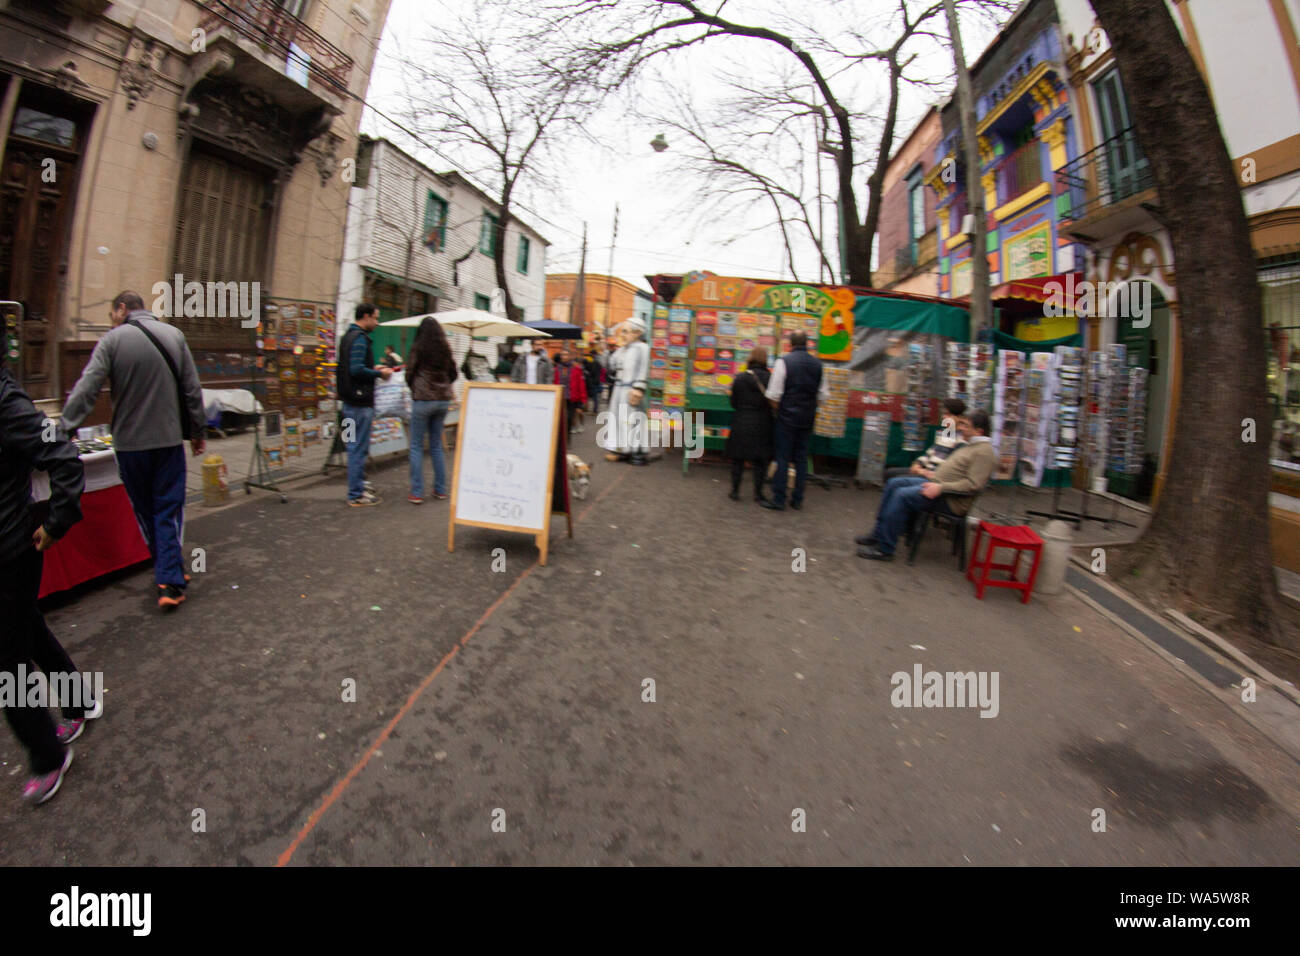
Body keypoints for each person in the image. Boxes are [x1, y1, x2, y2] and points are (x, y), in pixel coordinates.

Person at [61, 290, 206, 609]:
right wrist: (196, 431)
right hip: (168, 441)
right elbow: (192, 390)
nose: (112, 319)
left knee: (145, 511)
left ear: (122, 309)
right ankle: (171, 575)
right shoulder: (174, 335)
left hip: (129, 445)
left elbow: (87, 387)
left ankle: (169, 575)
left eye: (113, 313)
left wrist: (65, 427)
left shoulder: (111, 341)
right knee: (167, 509)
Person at [1, 352, 94, 803]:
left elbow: (63, 454)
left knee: (8, 662)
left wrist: (57, 522)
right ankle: (79, 700)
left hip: (11, 551)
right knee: (29, 632)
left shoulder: (5, 400)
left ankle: (47, 755)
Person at [857, 410, 996, 561]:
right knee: (893, 483)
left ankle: (885, 549)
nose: (961, 428)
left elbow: (973, 485)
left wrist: (941, 488)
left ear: (979, 431)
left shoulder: (984, 453)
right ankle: (878, 534)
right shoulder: (971, 445)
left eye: (966, 426)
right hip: (936, 484)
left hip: (950, 499)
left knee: (901, 495)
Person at [761, 330, 828, 511]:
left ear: (790, 344)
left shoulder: (784, 362)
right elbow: (823, 395)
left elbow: (774, 394)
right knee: (801, 458)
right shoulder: (818, 365)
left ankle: (779, 498)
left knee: (782, 457)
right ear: (808, 343)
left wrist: (779, 410)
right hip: (807, 418)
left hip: (786, 417)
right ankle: (798, 499)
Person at [336, 302, 394, 507]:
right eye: (376, 318)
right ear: (366, 316)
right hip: (360, 404)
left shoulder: (347, 337)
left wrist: (372, 367)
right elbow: (356, 370)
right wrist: (380, 373)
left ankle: (358, 485)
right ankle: (356, 494)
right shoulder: (360, 340)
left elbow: (353, 367)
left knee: (352, 447)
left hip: (348, 404)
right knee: (358, 448)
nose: (377, 322)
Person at [405, 316, 458, 504]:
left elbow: (409, 372)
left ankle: (417, 492)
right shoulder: (445, 348)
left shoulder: (418, 347)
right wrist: (443, 386)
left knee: (417, 446)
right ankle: (440, 489)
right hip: (442, 401)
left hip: (423, 399)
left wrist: (415, 387)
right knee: (436, 446)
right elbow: (454, 373)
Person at [726, 347, 773, 503]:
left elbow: (733, 403)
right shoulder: (770, 378)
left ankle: (735, 491)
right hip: (762, 423)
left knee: (738, 459)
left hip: (741, 421)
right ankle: (758, 494)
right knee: (760, 461)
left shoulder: (739, 378)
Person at [882, 397, 968, 482]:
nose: (944, 417)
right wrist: (918, 464)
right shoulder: (946, 432)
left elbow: (948, 466)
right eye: (944, 414)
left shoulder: (961, 440)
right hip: (926, 469)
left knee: (896, 481)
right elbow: (931, 452)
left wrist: (923, 471)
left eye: (948, 415)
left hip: (934, 476)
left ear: (959, 417)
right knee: (889, 473)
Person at [605, 317, 650, 464]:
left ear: (637, 332)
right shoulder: (622, 349)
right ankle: (621, 448)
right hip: (619, 388)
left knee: (632, 420)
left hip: (631, 389)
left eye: (625, 331)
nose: (622, 334)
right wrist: (617, 349)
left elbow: (643, 369)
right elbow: (611, 366)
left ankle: (636, 450)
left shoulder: (643, 348)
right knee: (618, 419)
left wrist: (639, 387)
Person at [554, 350, 588, 435]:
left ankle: (567, 438)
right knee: (559, 419)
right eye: (562, 355)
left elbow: (581, 384)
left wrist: (583, 399)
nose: (564, 357)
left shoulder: (576, 369)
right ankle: (560, 439)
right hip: (559, 397)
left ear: (570, 356)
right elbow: (554, 382)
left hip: (571, 398)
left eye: (566, 355)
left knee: (569, 419)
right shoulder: (557, 368)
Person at [583, 350, 603, 415]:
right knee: (594, 397)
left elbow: (591, 371)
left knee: (594, 397)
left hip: (593, 381)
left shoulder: (592, 362)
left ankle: (594, 410)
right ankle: (592, 409)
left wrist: (592, 380)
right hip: (595, 381)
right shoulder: (597, 361)